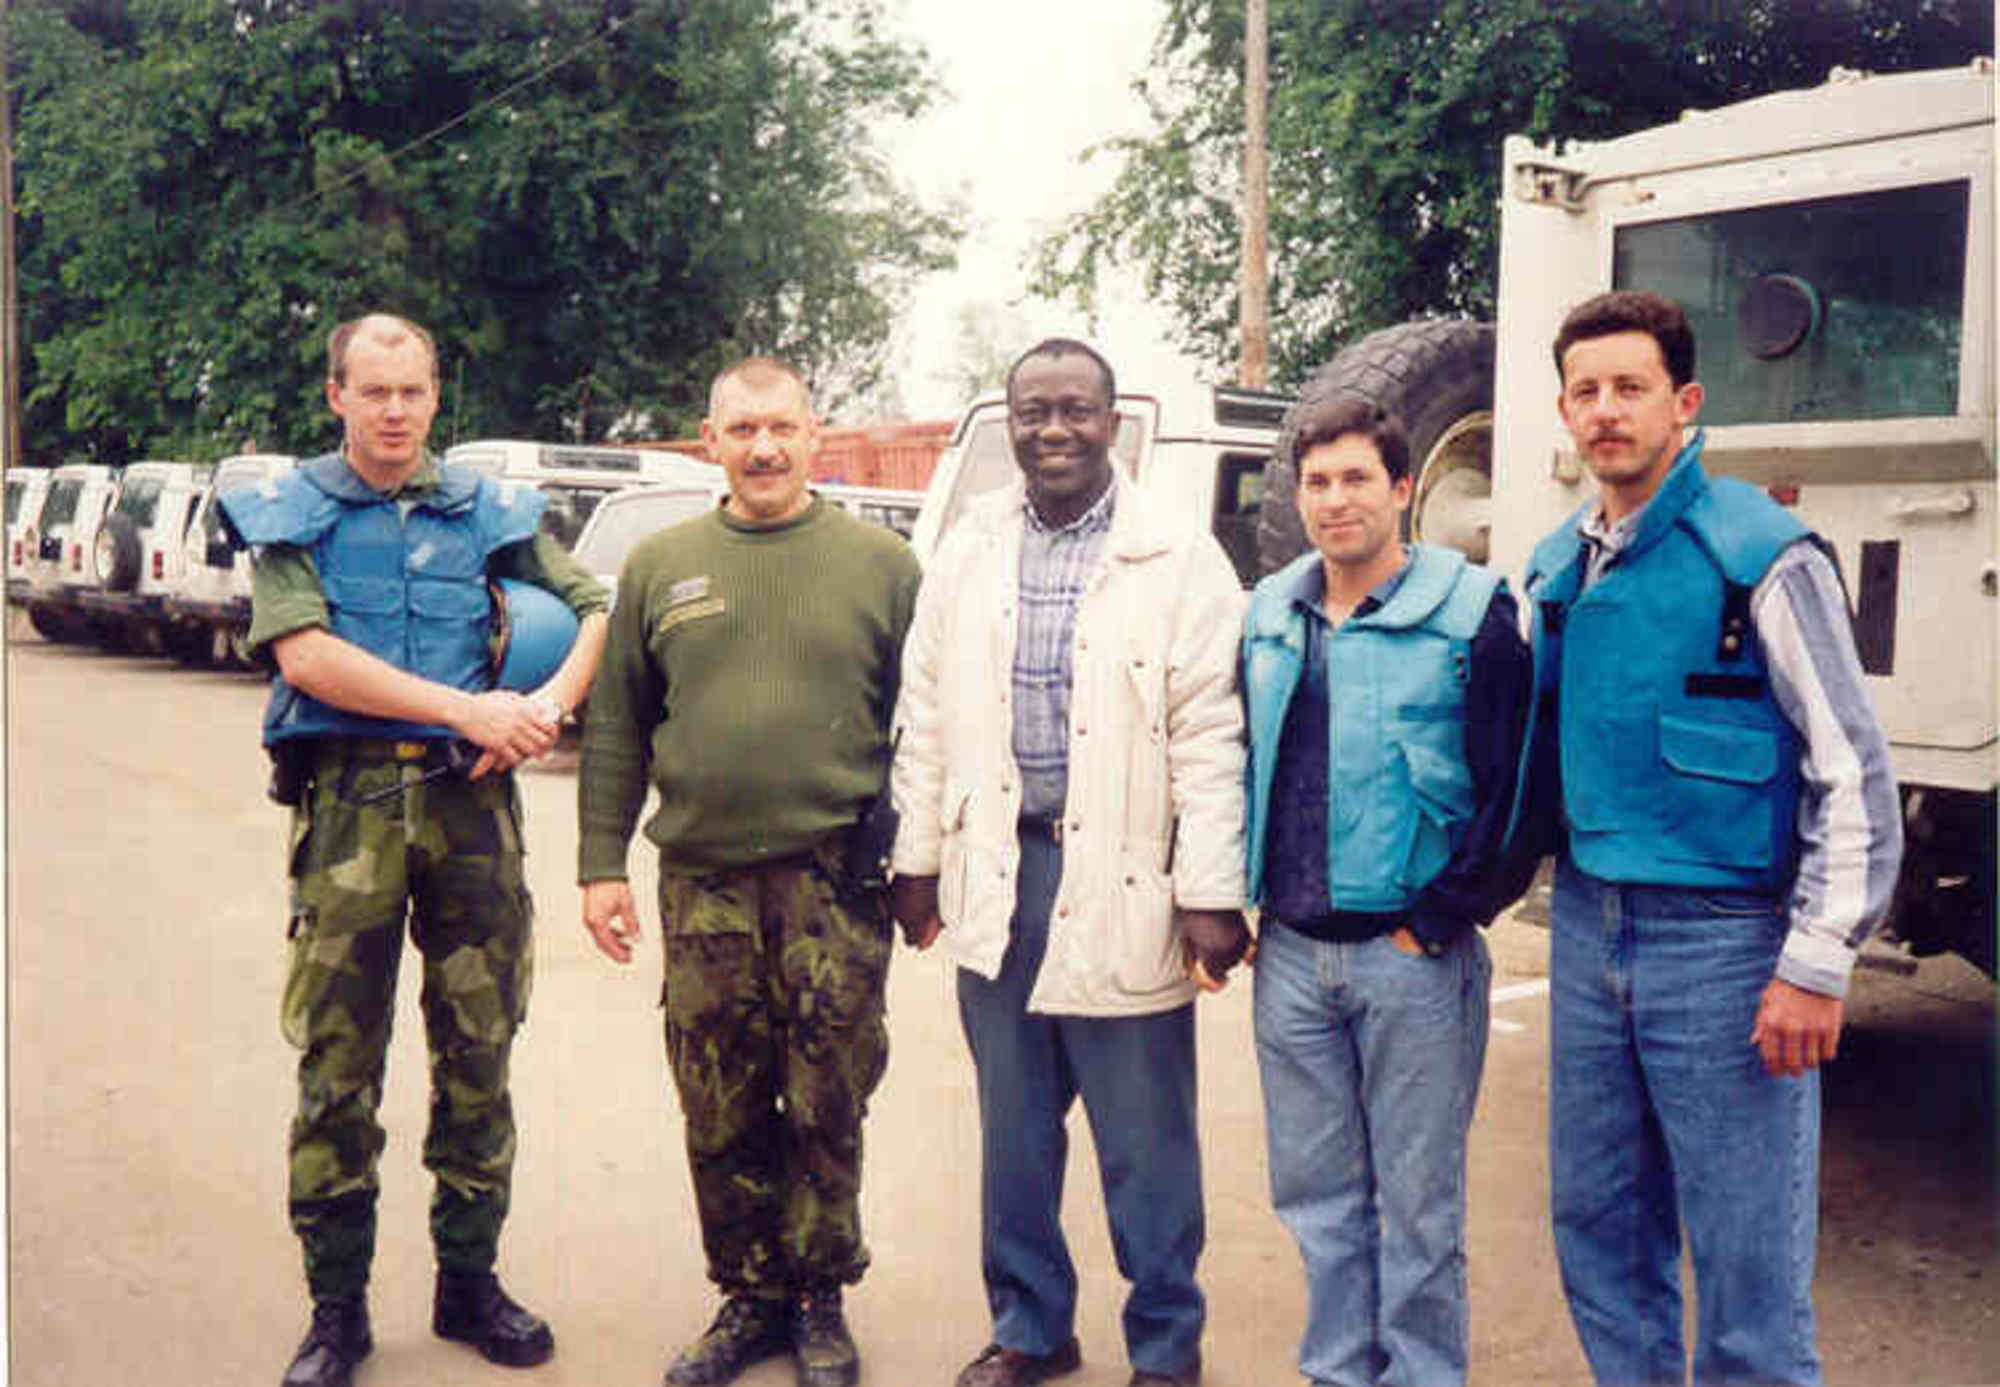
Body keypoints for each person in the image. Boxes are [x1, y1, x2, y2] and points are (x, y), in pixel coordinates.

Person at [1512, 290, 1902, 1386]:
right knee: (1599, 1230)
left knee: (1745, 1266)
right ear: (1562, 411)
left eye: (1629, 387)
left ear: (1682, 403)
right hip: (1587, 925)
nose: (1605, 410)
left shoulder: (1761, 554)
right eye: (1585, 391)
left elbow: (1852, 772)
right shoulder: (1554, 567)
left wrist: (1815, 963)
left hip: (1725, 943)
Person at [223, 312, 611, 1387]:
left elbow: (593, 608)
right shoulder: (291, 514)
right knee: (337, 1062)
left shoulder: (489, 511)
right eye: (374, 391)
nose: (395, 411)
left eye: (413, 391)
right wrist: (465, 707)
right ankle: (336, 1309)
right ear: (336, 396)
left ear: (437, 395)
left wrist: (540, 710)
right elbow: (307, 658)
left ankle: (469, 1282)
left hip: (471, 806)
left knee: (480, 1046)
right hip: (353, 804)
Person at [890, 338, 1251, 1387]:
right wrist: (916, 859)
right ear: (1010, 425)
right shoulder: (967, 547)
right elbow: (924, 715)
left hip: (1127, 879)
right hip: (1000, 874)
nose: (1054, 430)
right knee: (1013, 1132)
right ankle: (1030, 1328)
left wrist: (1210, 893)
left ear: (1112, 420)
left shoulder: (1176, 554)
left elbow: (1210, 734)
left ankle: (1166, 1347)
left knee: (1146, 1144)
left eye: (1076, 410)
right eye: (1033, 412)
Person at [577, 356, 921, 1387]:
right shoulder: (660, 565)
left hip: (833, 879)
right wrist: (600, 864)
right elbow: (616, 726)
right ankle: (748, 1294)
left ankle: (818, 1298)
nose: (763, 449)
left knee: (828, 1093)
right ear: (710, 441)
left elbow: (927, 724)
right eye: (741, 430)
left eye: (780, 428)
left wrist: (922, 863)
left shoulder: (883, 566)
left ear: (814, 434)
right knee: (718, 1096)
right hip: (704, 882)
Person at [1241, 397, 1530, 1386]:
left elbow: (1513, 792)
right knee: (1317, 1200)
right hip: (1289, 955)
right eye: (1316, 482)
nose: (1335, 500)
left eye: (1356, 477)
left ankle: (1420, 1374)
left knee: (1417, 1208)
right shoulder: (1268, 613)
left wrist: (1439, 920)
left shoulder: (1473, 612)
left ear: (1403, 488)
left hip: (1413, 958)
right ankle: (1336, 1371)